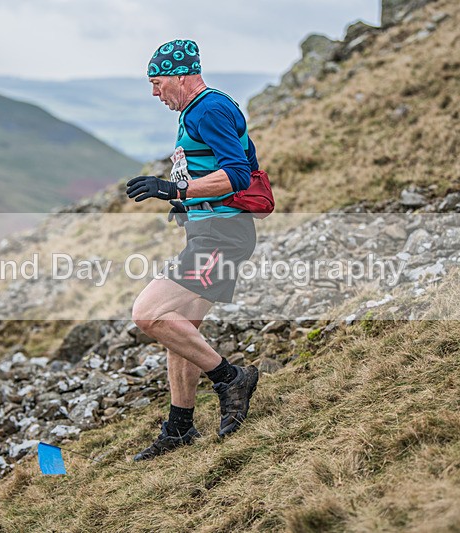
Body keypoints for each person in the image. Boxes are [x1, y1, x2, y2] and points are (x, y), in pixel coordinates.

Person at [126, 39, 260, 461]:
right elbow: (208, 170)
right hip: (209, 232)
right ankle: (181, 426)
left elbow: (238, 174)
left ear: (182, 76)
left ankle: (230, 378)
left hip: (223, 236)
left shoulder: (210, 108)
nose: (154, 92)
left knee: (148, 313)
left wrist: (173, 188)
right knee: (181, 329)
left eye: (157, 81)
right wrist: (186, 203)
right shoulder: (192, 111)